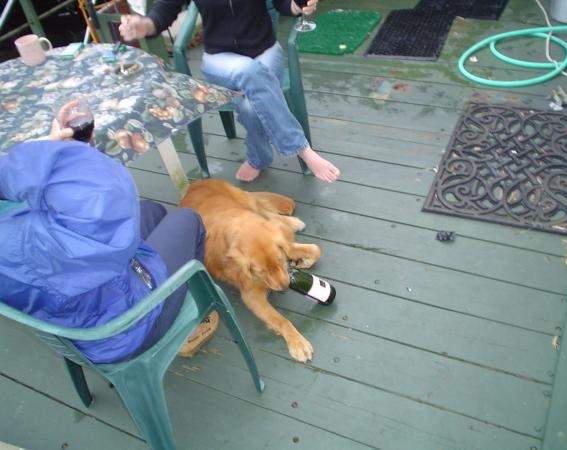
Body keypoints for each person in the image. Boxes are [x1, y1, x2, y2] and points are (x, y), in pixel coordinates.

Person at [0, 126, 215, 363]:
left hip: (78, 311)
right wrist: (50, 153)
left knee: (151, 210)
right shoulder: (23, 242)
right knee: (187, 218)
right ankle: (193, 323)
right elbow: (105, 194)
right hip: (129, 325)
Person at [119, 0, 341, 183]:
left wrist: (299, 5)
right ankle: (302, 149)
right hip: (220, 60)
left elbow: (284, 4)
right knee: (250, 72)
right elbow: (163, 12)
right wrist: (144, 25)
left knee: (250, 106)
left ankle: (258, 158)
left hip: (265, 52)